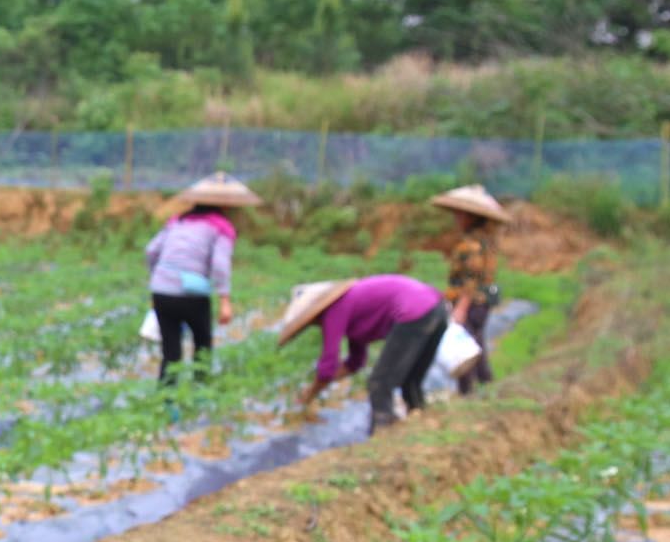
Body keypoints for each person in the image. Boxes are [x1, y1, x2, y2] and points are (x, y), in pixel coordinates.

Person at [282, 275, 448, 434]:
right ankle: (421, 423)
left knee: (379, 383)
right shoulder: (353, 306)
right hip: (437, 308)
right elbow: (356, 362)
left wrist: (309, 394)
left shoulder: (334, 310)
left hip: (414, 312)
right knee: (411, 380)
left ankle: (383, 433)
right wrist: (324, 382)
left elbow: (328, 363)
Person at [143, 172, 261, 391]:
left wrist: (158, 279)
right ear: (226, 206)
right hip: (191, 294)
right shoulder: (221, 227)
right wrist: (225, 300)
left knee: (170, 352)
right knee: (202, 347)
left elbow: (151, 250)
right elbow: (220, 265)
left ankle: (166, 402)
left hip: (161, 291)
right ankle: (200, 397)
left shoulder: (177, 221)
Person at [430, 184, 509, 395]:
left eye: (460, 214)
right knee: (476, 344)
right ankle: (486, 387)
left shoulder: (471, 245)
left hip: (471, 303)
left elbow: (470, 281)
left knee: (464, 350)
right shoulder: (485, 243)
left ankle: (469, 393)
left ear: (471, 217)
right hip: (480, 303)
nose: (456, 218)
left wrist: (461, 308)